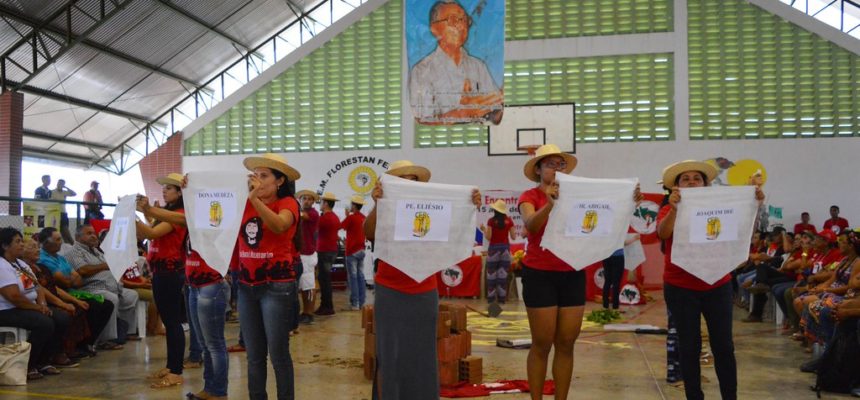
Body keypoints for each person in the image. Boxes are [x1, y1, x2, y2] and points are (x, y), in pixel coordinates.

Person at [517, 144, 641, 400]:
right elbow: (530, 224)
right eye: (550, 164)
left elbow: (606, 211)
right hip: (539, 273)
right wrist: (551, 204)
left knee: (566, 343)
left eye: (560, 164)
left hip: (572, 271)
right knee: (541, 343)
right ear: (538, 170)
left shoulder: (578, 197)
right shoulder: (530, 196)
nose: (556, 168)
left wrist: (628, 199)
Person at [364, 159, 481, 400]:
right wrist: (377, 204)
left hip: (425, 289)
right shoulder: (384, 207)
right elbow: (369, 232)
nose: (408, 183)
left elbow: (453, 231)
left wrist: (469, 205)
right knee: (390, 353)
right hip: (390, 288)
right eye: (402, 180)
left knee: (423, 354)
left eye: (413, 180)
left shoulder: (433, 208)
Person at [657, 159, 765, 400]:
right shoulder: (668, 208)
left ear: (706, 184)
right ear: (676, 186)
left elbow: (744, 228)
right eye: (685, 179)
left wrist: (754, 203)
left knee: (724, 346)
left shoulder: (721, 206)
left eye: (697, 178)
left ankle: (730, 396)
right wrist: (675, 209)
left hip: (717, 284)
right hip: (680, 286)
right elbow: (662, 233)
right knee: (689, 346)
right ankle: (694, 396)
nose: (692, 182)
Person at [137, 194, 230, 400]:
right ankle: (209, 388)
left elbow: (156, 229)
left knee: (213, 343)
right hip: (194, 283)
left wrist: (144, 211)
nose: (164, 192)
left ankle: (218, 391)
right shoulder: (184, 219)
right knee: (207, 343)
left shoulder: (201, 218)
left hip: (209, 284)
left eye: (170, 188)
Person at [235, 153, 302, 400]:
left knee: (278, 354)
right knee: (254, 354)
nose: (258, 181)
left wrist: (254, 199)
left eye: (264, 176)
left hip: (276, 285)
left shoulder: (288, 204)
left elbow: (279, 225)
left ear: (280, 181)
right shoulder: (244, 204)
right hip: (246, 285)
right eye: (256, 176)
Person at [409, 0, 503, 124]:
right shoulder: (421, 71)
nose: (461, 25)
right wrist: (460, 114)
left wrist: (502, 102)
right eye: (453, 20)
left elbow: (495, 117)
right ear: (434, 29)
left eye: (464, 20)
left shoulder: (478, 66)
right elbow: (420, 121)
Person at [135, 173, 188, 389]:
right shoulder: (166, 213)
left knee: (173, 322)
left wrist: (134, 218)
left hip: (169, 271)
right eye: (164, 187)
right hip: (161, 271)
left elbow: (151, 233)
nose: (165, 190)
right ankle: (171, 365)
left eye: (169, 188)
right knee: (169, 320)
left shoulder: (178, 214)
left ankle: (175, 370)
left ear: (179, 192)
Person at [0, 227, 70, 380]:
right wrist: (38, 308)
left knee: (62, 318)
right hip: (8, 310)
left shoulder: (20, 264)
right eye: (17, 242)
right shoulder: (2, 266)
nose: (21, 245)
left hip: (28, 306)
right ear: (5, 246)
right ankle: (29, 364)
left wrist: (43, 304)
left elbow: (37, 287)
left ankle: (45, 361)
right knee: (44, 323)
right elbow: (13, 296)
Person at [65, 224, 140, 344]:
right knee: (112, 299)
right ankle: (107, 339)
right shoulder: (74, 251)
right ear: (77, 237)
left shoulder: (95, 251)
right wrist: (105, 266)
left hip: (111, 287)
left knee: (131, 295)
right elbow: (83, 270)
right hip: (91, 288)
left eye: (94, 233)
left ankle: (127, 332)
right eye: (89, 233)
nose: (94, 236)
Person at [480, 199, 515, 304]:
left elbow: (488, 237)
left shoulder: (491, 221)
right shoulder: (509, 221)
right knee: (503, 276)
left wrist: (483, 229)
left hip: (493, 250)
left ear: (495, 210)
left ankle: (491, 300)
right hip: (505, 250)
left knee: (491, 275)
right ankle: (501, 300)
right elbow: (513, 237)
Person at [296, 189, 320, 324]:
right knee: (304, 285)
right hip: (302, 253)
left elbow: (301, 216)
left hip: (307, 254)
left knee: (308, 285)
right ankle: (305, 311)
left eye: (309, 199)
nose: (306, 201)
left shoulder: (313, 214)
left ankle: (309, 313)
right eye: (304, 198)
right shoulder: (304, 214)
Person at [315, 192, 340, 316]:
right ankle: (326, 306)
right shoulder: (334, 217)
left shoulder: (324, 218)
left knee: (324, 280)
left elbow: (315, 230)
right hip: (331, 250)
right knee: (325, 279)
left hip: (324, 251)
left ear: (325, 204)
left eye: (321, 202)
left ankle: (327, 306)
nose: (319, 204)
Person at [341, 195, 368, 311]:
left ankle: (355, 303)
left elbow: (341, 226)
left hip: (352, 250)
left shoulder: (351, 218)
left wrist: (347, 215)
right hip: (361, 249)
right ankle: (361, 302)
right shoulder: (364, 217)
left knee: (353, 278)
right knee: (361, 276)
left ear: (354, 206)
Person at [50, 179, 76, 244]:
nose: (60, 185)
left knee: (66, 234)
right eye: (59, 183)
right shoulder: (52, 192)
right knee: (62, 235)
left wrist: (66, 187)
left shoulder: (64, 192)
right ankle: (71, 249)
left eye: (62, 184)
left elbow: (74, 194)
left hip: (63, 213)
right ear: (57, 184)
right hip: (55, 214)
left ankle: (75, 248)